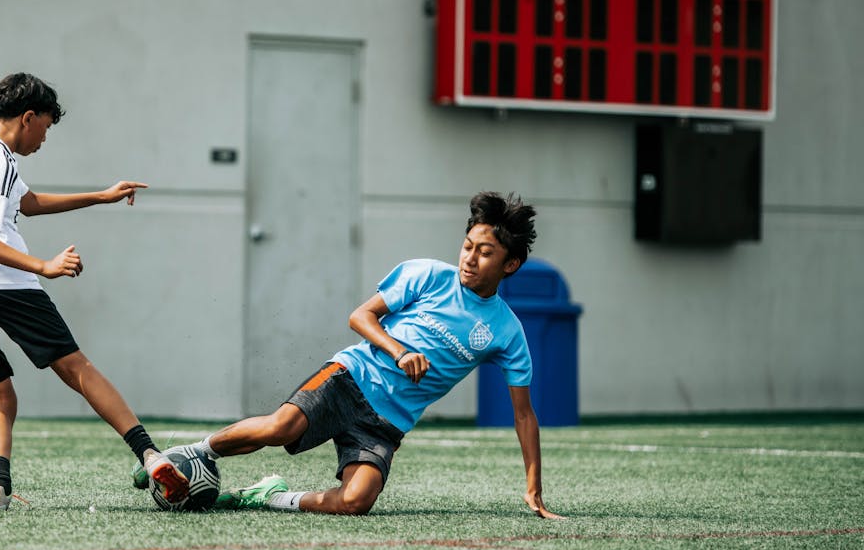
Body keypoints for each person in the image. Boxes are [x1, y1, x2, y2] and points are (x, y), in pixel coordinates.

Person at [136, 191, 563, 519]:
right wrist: (398, 351)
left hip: (386, 422)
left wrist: (533, 488)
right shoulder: (429, 275)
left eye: (485, 252)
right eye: (468, 246)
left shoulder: (507, 333)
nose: (470, 258)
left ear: (511, 265)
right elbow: (360, 316)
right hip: (352, 377)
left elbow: (524, 415)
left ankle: (269, 496)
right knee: (281, 426)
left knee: (356, 502)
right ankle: (192, 453)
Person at [0, 71, 189, 511]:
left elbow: (26, 204)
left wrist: (100, 197)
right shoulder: (2, 161)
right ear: (28, 118)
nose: (45, 139)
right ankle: (148, 453)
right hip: (2, 281)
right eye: (46, 127)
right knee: (78, 369)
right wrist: (44, 266)